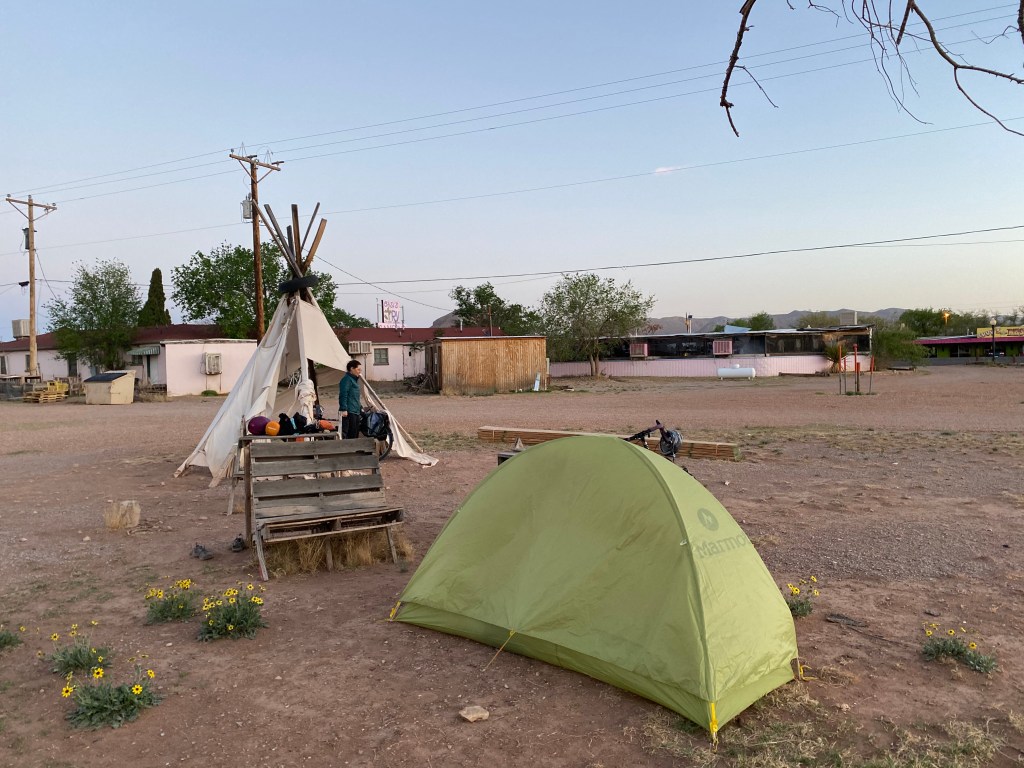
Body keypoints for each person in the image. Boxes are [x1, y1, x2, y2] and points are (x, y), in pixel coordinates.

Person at [339, 360, 363, 439]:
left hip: (355, 411)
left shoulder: (354, 380)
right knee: (350, 434)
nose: (360, 371)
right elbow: (343, 394)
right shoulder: (347, 380)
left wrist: (360, 407)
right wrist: (344, 409)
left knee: (355, 434)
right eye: (358, 369)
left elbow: (354, 397)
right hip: (349, 411)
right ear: (352, 369)